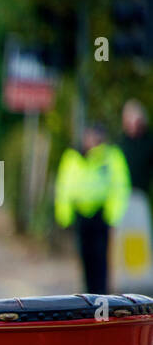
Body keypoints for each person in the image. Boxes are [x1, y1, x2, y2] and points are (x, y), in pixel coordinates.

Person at [55, 125, 131, 296]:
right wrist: (64, 216)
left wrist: (113, 214)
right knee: (85, 257)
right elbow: (64, 188)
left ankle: (101, 294)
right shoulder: (72, 157)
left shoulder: (110, 156)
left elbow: (120, 186)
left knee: (101, 258)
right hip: (80, 214)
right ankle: (89, 294)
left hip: (101, 213)